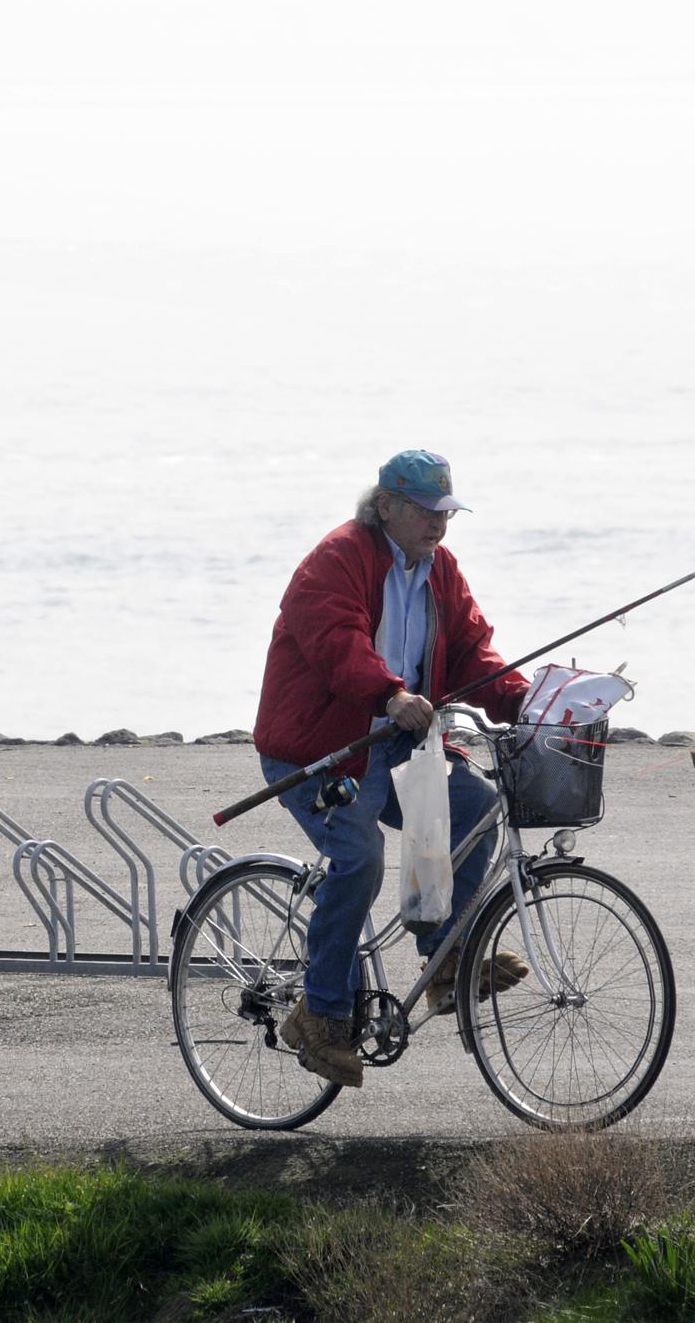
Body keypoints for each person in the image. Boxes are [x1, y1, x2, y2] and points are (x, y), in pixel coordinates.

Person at [251, 448, 533, 1088]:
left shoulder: (440, 569)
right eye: (427, 512)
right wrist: (391, 694)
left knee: (474, 809)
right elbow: (336, 644)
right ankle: (319, 1015)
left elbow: (470, 650)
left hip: (397, 739)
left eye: (446, 513)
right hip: (319, 748)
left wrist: (523, 699)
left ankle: (444, 957)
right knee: (360, 859)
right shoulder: (338, 558)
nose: (439, 525)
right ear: (387, 507)